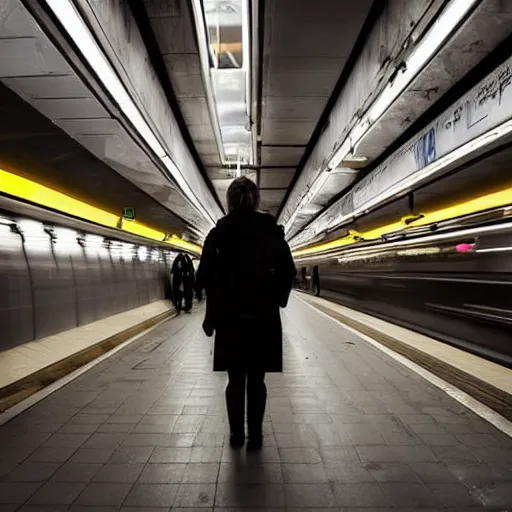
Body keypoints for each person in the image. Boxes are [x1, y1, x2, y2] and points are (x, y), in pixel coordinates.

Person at [196, 177, 296, 450]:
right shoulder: (271, 231)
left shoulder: (219, 233)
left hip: (230, 319)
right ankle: (256, 436)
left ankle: (236, 435)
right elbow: (288, 271)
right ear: (256, 199)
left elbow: (205, 275)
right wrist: (277, 298)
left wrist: (211, 314)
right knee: (257, 379)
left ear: (229, 200)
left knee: (235, 379)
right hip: (263, 317)